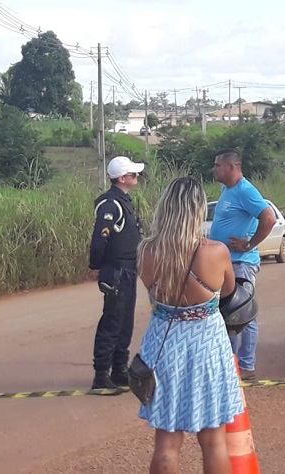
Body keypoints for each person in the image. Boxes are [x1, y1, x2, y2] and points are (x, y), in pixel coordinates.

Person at [136, 177, 243, 473]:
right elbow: (229, 291)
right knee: (214, 441)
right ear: (198, 210)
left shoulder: (146, 251)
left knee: (166, 443)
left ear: (165, 207)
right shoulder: (215, 251)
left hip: (162, 346)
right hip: (207, 346)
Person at [210, 148, 276, 381]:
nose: (214, 169)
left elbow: (269, 218)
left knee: (243, 314)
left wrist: (249, 245)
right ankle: (231, 364)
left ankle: (246, 365)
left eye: (217, 165)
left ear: (232, 167)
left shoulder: (245, 191)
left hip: (241, 263)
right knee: (227, 314)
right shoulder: (226, 190)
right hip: (225, 263)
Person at [88, 156, 145, 390]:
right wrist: (95, 266)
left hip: (128, 269)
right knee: (112, 322)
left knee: (125, 322)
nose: (136, 176)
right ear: (122, 178)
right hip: (117, 270)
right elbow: (99, 239)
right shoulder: (111, 204)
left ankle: (120, 369)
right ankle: (102, 374)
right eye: (132, 174)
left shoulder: (124, 201)